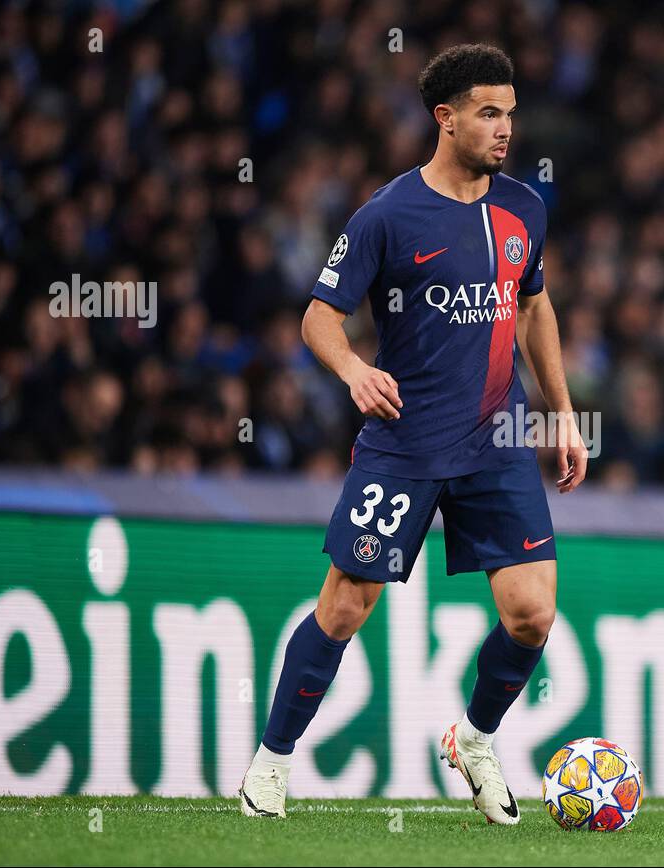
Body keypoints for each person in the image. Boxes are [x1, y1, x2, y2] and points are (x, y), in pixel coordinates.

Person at [239, 44, 588, 824]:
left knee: (533, 614)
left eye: (510, 114)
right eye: (489, 113)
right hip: (404, 444)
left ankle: (473, 737)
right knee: (345, 606)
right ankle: (271, 761)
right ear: (447, 117)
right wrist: (354, 370)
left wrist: (561, 410)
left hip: (497, 441)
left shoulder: (525, 208)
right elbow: (318, 317)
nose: (505, 129)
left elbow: (533, 306)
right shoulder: (388, 215)